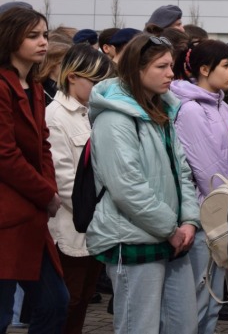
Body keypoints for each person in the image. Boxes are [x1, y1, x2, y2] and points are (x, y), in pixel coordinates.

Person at [85, 33, 201, 334]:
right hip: (133, 237)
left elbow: (182, 172)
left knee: (183, 325)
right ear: (136, 69)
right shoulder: (115, 119)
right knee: (139, 327)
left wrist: (189, 220)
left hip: (172, 236)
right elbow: (127, 187)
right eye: (161, 66)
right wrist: (170, 229)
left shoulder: (161, 111)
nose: (171, 73)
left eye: (171, 65)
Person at [0, 7, 69, 333]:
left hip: (30, 214)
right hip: (7, 216)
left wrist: (49, 191)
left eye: (44, 34)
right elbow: (5, 155)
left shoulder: (35, 86)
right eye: (33, 36)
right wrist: (46, 193)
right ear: (9, 38)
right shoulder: (2, 85)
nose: (43, 42)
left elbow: (43, 145)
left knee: (55, 302)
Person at [170, 40, 228, 334]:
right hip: (205, 216)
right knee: (200, 295)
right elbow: (206, 169)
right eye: (226, 65)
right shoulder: (191, 110)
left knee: (212, 299)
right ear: (203, 69)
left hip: (221, 212)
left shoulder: (222, 106)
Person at [46, 44, 114, 334]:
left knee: (83, 300)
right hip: (71, 227)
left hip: (94, 227)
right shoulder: (55, 116)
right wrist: (99, 211)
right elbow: (63, 181)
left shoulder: (91, 113)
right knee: (68, 302)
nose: (100, 88)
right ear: (72, 76)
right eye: (95, 81)